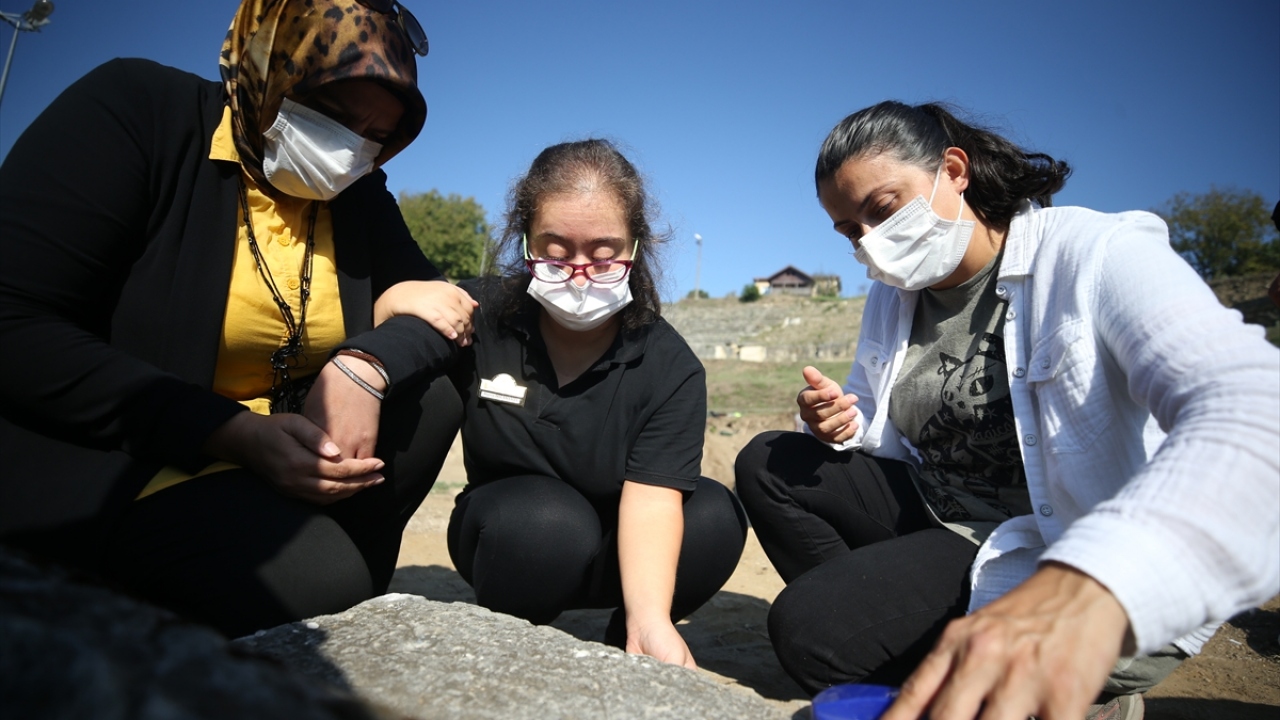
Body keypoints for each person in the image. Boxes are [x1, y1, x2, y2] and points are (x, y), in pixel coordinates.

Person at [734, 101, 1279, 719]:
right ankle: (924, 650)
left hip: (1050, 543)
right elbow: (883, 420)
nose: (870, 241)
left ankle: (1051, 687)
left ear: (955, 170)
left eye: (882, 210)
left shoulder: (1094, 252)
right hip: (942, 513)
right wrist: (842, 421)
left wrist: (1091, 584)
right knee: (768, 461)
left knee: (812, 632)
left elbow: (1254, 406)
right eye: (850, 231)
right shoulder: (892, 298)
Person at [0, 0, 475, 637]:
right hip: (127, 455)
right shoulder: (137, 109)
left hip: (279, 453)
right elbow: (15, 321)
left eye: (374, 136)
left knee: (430, 396)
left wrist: (364, 366)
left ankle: (326, 585)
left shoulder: (357, 193)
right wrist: (227, 432)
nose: (349, 150)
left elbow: (446, 304)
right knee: (317, 582)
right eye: (331, 113)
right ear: (265, 66)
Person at [338, 139, 748, 668]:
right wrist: (374, 338)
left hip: (622, 556)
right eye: (555, 253)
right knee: (548, 523)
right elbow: (413, 336)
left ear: (636, 248)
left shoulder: (671, 367)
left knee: (716, 514)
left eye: (603, 256)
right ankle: (515, 634)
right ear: (526, 240)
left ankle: (633, 639)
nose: (579, 275)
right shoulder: (483, 312)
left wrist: (651, 620)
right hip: (514, 536)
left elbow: (652, 498)